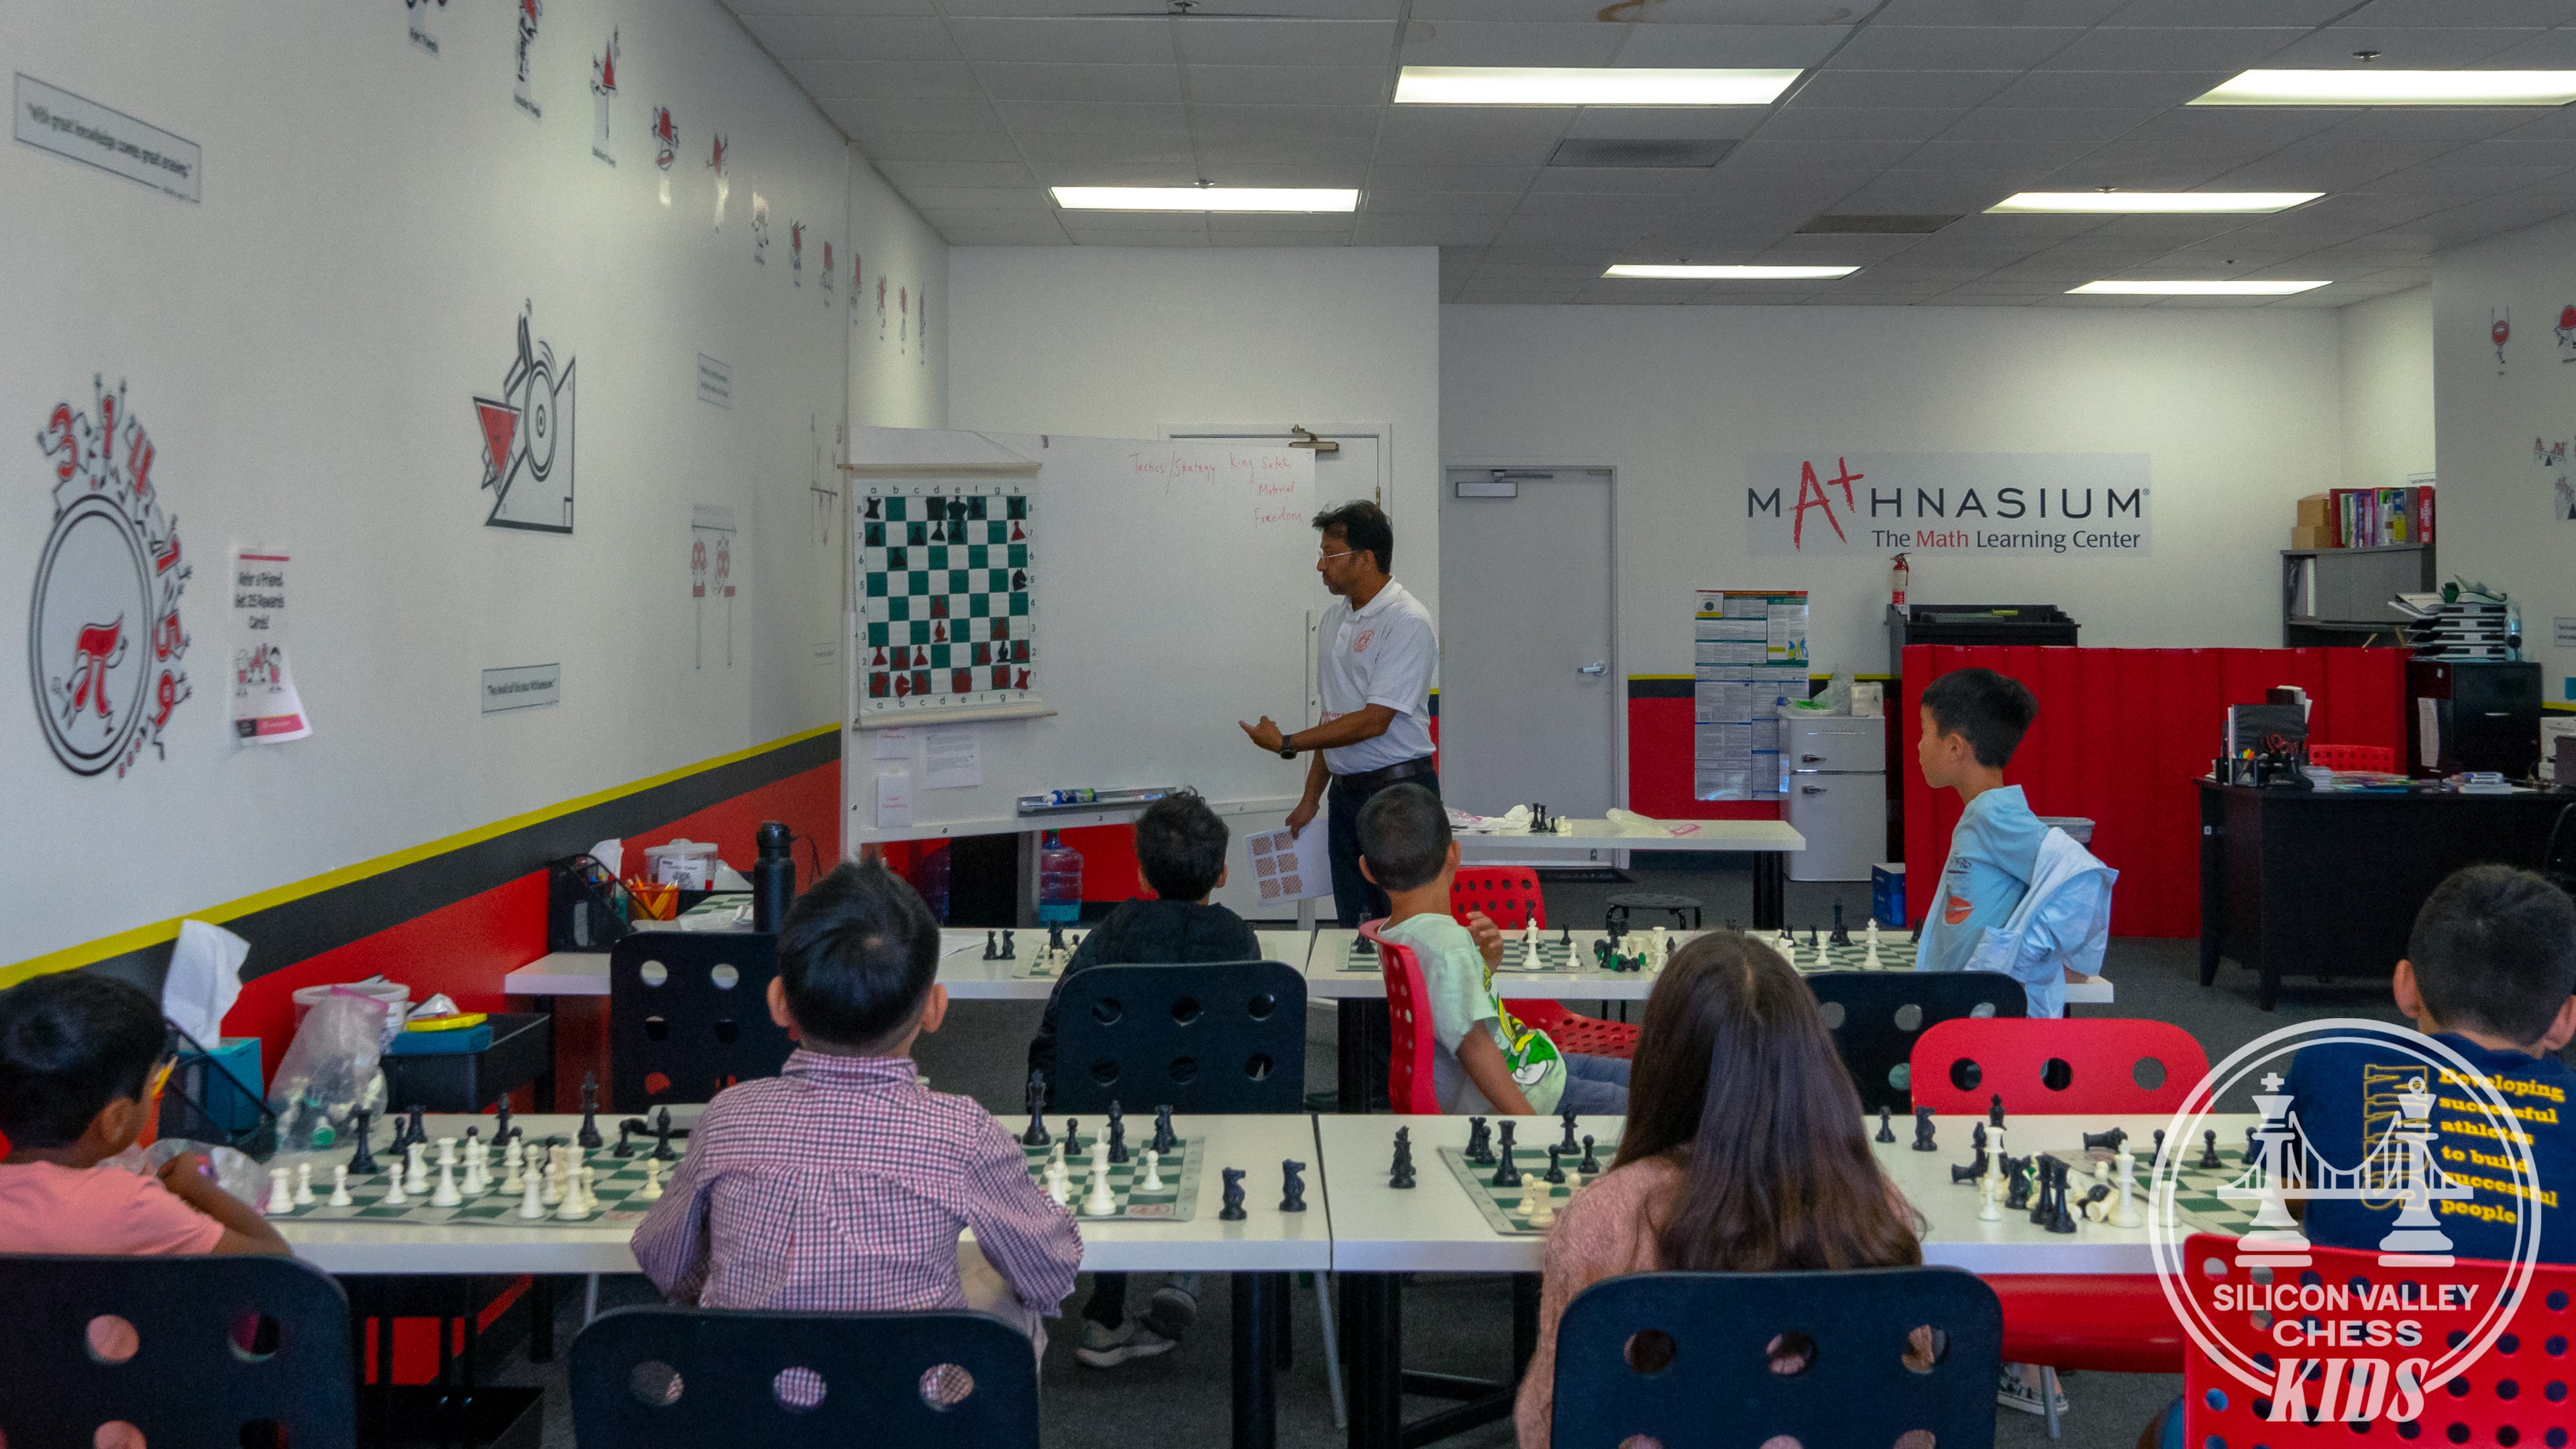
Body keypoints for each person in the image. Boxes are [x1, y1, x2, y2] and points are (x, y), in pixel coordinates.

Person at [2139, 865, 2576, 1448]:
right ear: (2564, 1019)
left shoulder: (2334, 1061)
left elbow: (2281, 1196)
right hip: (2534, 1425)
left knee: (2175, 1428)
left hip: (2329, 1422)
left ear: (2406, 986)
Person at [632, 862, 1080, 1353]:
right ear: (935, 1009)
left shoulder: (726, 1116)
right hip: (904, 1420)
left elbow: (663, 1260)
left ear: (779, 1002)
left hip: (740, 1418)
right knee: (1011, 1310)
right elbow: (1048, 1271)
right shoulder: (963, 1131)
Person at [1513, 932, 1927, 1449]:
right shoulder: (1874, 1206)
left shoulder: (1603, 1218)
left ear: (1661, 1068)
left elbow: (1550, 1426)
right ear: (1813, 1065)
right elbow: (1915, 1423)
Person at [1026, 790, 1256, 1367]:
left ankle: (1103, 1311)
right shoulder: (1238, 937)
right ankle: (1183, 1281)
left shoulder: (1113, 931)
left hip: (1112, 1106)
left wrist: (1045, 1101)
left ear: (1139, 871)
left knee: (1111, 1143)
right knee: (1218, 1128)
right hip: (1216, 1110)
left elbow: (1063, 1016)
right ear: (1223, 873)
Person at [1361, 783, 1629, 1116]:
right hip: (1528, 1094)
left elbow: (1448, 1008)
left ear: (1367, 870)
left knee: (1648, 1079)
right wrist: (1527, 1122)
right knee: (1658, 1106)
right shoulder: (1448, 946)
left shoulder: (1398, 933)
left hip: (1536, 1064)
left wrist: (1484, 964)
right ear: (1455, 855)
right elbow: (1472, 1044)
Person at [1237, 499, 1439, 929]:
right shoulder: (1333, 620)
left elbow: (1373, 720)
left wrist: (1288, 743)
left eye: (1331, 555)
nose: (1320, 566)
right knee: (1356, 925)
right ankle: (1360, 1000)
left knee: (1403, 925)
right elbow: (1335, 721)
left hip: (1399, 796)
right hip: (1346, 798)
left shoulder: (1407, 620)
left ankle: (1405, 1000)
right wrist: (1311, 799)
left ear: (1366, 559)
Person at [0, 971, 288, 1255]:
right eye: (152, 1085)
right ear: (116, 1120)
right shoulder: (129, 1205)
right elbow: (275, 1260)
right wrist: (197, 1188)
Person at [1912, 666, 2106, 1019]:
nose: (1919, 744)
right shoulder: (1984, 812)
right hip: (1966, 1008)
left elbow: (2086, 876)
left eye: (1924, 731)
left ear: (1955, 746)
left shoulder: (1994, 815)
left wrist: (2019, 961)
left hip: (1991, 1023)